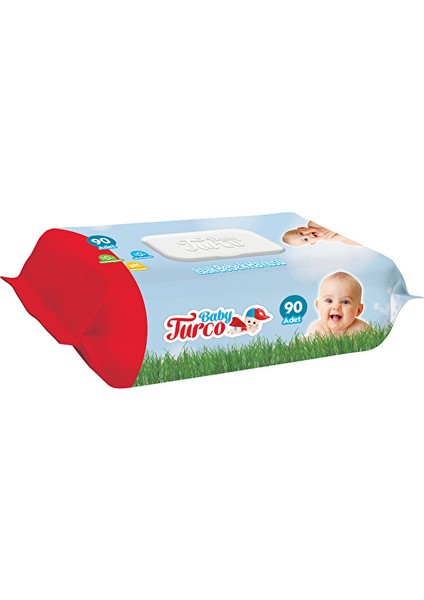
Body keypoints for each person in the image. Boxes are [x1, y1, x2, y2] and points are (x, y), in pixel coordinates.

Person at [307, 272, 370, 337]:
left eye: (345, 302)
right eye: (329, 301)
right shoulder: (317, 330)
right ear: (318, 306)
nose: (336, 307)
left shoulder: (362, 329)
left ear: (358, 310)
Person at [282, 220, 361, 247]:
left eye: (301, 233)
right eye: (306, 240)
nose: (307, 235)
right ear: (313, 243)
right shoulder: (329, 238)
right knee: (347, 241)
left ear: (302, 228)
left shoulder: (313, 223)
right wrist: (332, 231)